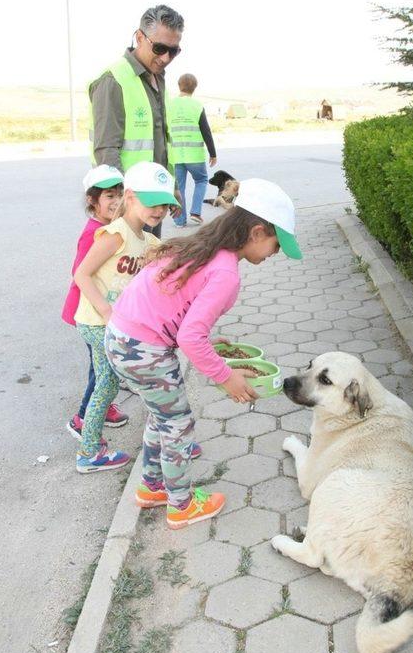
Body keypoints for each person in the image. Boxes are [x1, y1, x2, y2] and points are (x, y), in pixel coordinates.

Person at [104, 178, 303, 528]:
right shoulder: (226, 272)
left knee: (162, 416)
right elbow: (191, 338)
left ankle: (152, 487)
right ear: (257, 232)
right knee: (179, 424)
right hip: (145, 348)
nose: (276, 253)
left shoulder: (207, 246)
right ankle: (180, 505)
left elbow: (182, 311)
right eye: (276, 243)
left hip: (124, 337)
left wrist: (212, 346)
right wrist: (228, 378)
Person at [73, 162, 175, 473]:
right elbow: (82, 274)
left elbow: (170, 258)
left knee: (116, 379)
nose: (159, 210)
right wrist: (107, 312)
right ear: (131, 198)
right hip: (94, 320)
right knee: (107, 382)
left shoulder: (148, 242)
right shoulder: (115, 234)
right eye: (152, 202)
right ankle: (88, 452)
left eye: (166, 205)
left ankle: (168, 434)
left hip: (113, 324)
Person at [88, 4, 184, 239]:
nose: (166, 58)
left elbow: (159, 144)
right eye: (160, 48)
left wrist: (170, 188)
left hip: (154, 200)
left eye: (174, 51)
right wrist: (122, 207)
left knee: (147, 271)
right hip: (130, 207)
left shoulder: (157, 78)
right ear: (139, 37)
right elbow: (106, 151)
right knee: (126, 273)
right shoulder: (113, 81)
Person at [62, 165, 130, 440]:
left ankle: (104, 406)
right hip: (91, 313)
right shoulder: (94, 232)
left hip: (100, 312)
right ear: (92, 201)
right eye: (109, 196)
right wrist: (103, 309)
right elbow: (80, 274)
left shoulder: (111, 227)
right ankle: (82, 418)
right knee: (100, 370)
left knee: (103, 366)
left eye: (120, 195)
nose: (116, 202)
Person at [167, 73, 217, 227]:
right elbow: (205, 131)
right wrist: (213, 153)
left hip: (175, 155)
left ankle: (179, 220)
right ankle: (195, 212)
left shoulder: (169, 105)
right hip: (194, 156)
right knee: (201, 180)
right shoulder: (197, 106)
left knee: (178, 186)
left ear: (179, 85)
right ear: (194, 88)